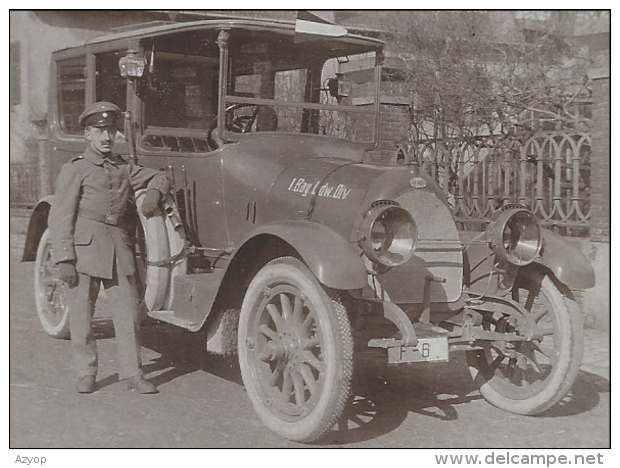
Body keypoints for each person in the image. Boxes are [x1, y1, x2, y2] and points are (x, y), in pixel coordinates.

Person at [49, 101, 170, 394]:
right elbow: (61, 216)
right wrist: (64, 258)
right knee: (81, 316)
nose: (106, 137)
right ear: (87, 134)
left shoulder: (122, 167)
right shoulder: (75, 169)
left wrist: (154, 192)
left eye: (111, 130)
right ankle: (86, 372)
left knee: (128, 315)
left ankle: (132, 372)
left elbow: (160, 176)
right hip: (84, 249)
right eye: (100, 131)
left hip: (119, 248)